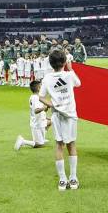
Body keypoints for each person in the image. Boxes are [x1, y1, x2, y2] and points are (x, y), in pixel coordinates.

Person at [39, 49, 82, 191]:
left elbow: (41, 96)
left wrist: (51, 104)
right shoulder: (69, 76)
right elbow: (79, 84)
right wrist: (70, 67)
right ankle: (73, 178)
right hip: (70, 114)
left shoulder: (47, 78)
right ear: (64, 62)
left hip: (57, 115)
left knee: (59, 145)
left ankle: (63, 180)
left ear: (51, 64)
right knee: (71, 145)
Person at [15, 80, 52, 150]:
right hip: (37, 123)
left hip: (41, 120)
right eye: (41, 86)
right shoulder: (36, 98)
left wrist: (46, 108)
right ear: (38, 88)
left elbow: (41, 110)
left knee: (51, 121)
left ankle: (41, 138)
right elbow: (36, 111)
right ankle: (23, 141)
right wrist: (44, 107)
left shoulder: (34, 96)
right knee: (40, 145)